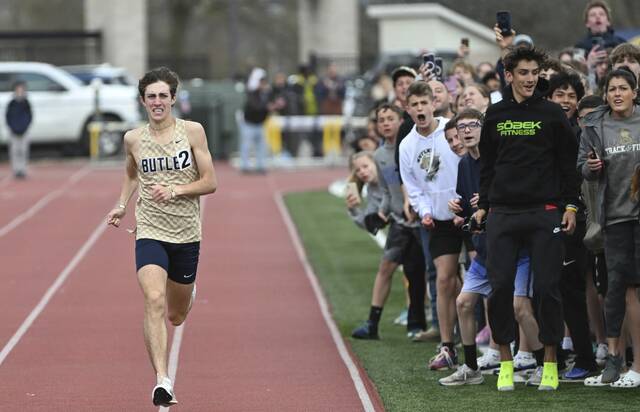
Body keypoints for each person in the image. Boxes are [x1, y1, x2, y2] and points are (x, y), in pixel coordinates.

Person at [106, 67, 218, 407]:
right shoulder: (133, 139)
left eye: (163, 96)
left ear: (172, 99)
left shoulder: (193, 133)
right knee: (153, 299)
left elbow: (210, 181)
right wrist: (122, 204)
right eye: (151, 96)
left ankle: (187, 292)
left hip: (186, 233)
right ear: (143, 101)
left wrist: (177, 190)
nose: (157, 102)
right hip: (150, 230)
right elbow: (130, 172)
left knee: (175, 314)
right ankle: (162, 380)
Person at [474, 46, 580, 391]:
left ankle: (549, 362)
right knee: (500, 288)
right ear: (510, 76)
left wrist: (570, 206)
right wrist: (483, 204)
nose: (530, 78)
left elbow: (568, 165)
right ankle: (506, 360)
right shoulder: (495, 113)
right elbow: (487, 165)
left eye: (535, 72)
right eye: (523, 72)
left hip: (545, 211)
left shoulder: (552, 114)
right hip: (503, 213)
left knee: (548, 288)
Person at [399, 81, 469, 370]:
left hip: (467, 214)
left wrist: (465, 205)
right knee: (444, 280)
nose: (419, 109)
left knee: (477, 279)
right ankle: (447, 346)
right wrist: (424, 211)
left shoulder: (450, 131)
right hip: (439, 220)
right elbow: (412, 185)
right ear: (408, 109)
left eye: (423, 103)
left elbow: (470, 162)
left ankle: (486, 342)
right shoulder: (407, 145)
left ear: (433, 104)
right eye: (413, 105)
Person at [578, 68, 640, 388]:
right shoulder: (595, 125)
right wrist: (590, 168)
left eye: (623, 88)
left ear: (634, 91)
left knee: (635, 288)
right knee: (615, 289)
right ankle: (614, 359)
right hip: (613, 218)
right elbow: (582, 169)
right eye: (611, 89)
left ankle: (635, 365)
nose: (617, 93)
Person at [350, 103, 428, 339]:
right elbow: (385, 191)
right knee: (386, 267)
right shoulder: (379, 155)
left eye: (389, 118)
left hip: (421, 219)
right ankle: (372, 323)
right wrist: (382, 213)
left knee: (419, 273)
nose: (385, 123)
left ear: (400, 121)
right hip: (399, 222)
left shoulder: (413, 146)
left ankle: (420, 322)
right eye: (381, 119)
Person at [5, 80, 32, 179]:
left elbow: (29, 117)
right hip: (13, 131)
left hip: (24, 131)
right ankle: (16, 170)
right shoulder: (12, 103)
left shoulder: (26, 103)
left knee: (23, 151)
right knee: (14, 151)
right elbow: (8, 117)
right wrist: (13, 128)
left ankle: (23, 170)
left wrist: (24, 127)